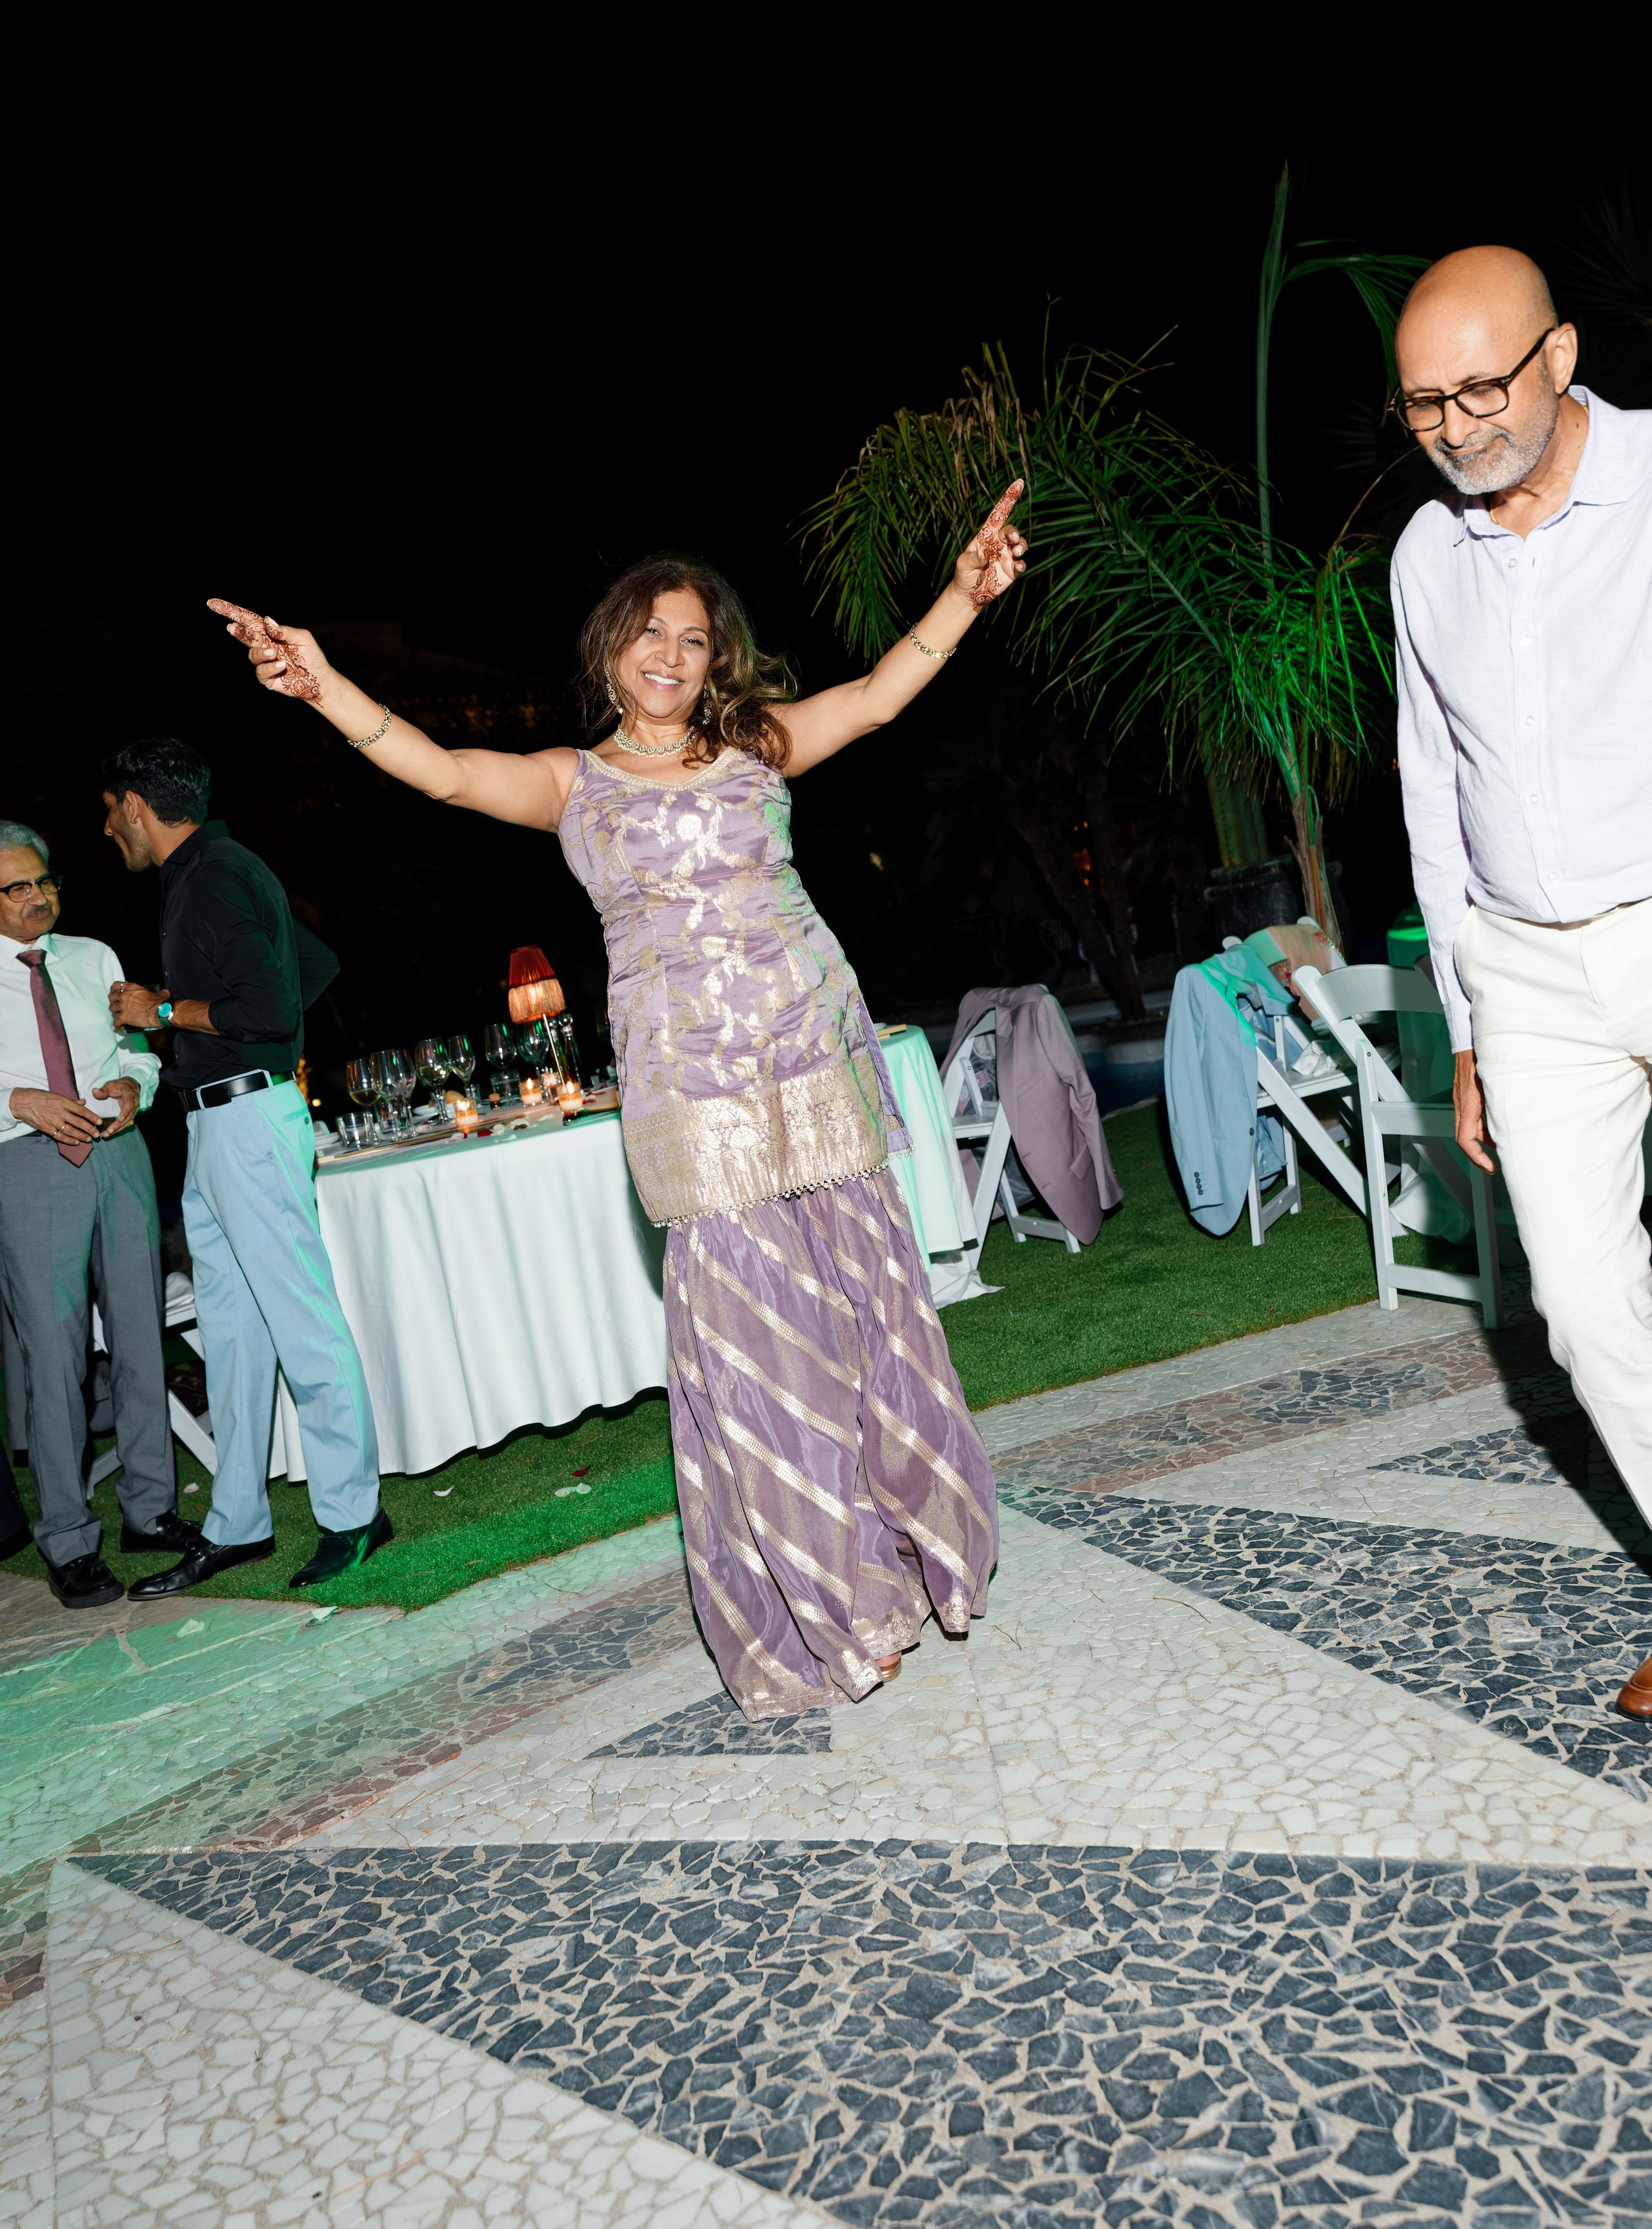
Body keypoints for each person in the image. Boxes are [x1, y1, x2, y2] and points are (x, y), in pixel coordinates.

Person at [211, 512, 1025, 1714]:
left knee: (870, 1325)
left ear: (717, 661)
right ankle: (835, 1600)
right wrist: (321, 682)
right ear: (610, 652)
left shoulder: (759, 748)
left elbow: (882, 694)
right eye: (650, 634)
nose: (672, 656)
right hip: (694, 1102)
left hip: (812, 1063)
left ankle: (915, 1554)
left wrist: (964, 592)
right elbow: (434, 767)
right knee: (761, 1362)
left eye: (694, 641)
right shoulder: (571, 784)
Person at [1388, 245, 1652, 1719]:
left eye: (1478, 384)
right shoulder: (1425, 558)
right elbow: (1430, 789)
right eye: (1419, 400)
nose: (1449, 423)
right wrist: (1471, 1022)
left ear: (1557, 355)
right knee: (1575, 1300)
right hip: (1523, 968)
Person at [97, 740, 390, 1597]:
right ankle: (237, 1522)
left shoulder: (216, 875)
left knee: (301, 1323)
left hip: (250, 1121)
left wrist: (163, 1010)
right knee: (230, 1335)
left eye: (108, 814)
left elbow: (265, 1008)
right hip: (220, 1126)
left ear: (134, 805)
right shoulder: (214, 871)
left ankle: (353, 1512)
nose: (107, 831)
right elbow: (311, 970)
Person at [0, 820, 188, 1607]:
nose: (38, 898)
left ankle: (151, 1510)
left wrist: (134, 1085)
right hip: (27, 1162)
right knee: (56, 1356)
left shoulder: (92, 957)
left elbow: (134, 1045)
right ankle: (70, 1541)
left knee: (143, 1336)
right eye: (16, 888)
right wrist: (18, 1099)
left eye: (44, 882)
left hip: (119, 1155)